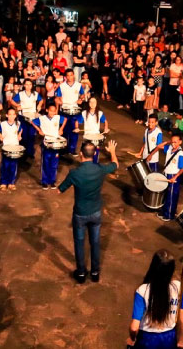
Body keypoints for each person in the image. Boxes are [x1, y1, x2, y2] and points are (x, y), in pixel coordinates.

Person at [58, 140, 118, 283]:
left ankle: (81, 274)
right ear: (95, 154)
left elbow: (60, 190)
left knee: (79, 243)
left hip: (80, 213)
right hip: (96, 212)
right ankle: (95, 273)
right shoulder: (100, 169)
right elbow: (116, 165)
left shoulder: (75, 173)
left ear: (81, 154)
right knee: (95, 242)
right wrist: (112, 151)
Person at [126, 249, 183, 349]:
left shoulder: (142, 291)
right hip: (169, 338)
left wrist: (132, 338)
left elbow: (134, 328)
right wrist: (182, 341)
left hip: (146, 340)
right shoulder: (178, 287)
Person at [149, 134, 183, 221]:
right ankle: (165, 211)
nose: (173, 144)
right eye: (172, 141)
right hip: (167, 174)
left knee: (172, 196)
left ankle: (169, 215)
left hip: (173, 176)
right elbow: (159, 146)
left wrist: (175, 177)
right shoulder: (169, 148)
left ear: (180, 142)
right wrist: (169, 142)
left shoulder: (180, 154)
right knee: (166, 195)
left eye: (175, 142)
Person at [32, 105, 67, 189]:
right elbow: (32, 122)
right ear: (47, 110)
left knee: (54, 164)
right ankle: (44, 181)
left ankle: (52, 181)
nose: (52, 113)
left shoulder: (57, 117)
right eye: (51, 111)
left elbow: (65, 119)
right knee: (45, 163)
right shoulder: (42, 118)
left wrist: (61, 129)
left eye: (54, 111)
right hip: (46, 143)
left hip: (55, 143)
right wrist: (39, 130)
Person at [10, 80, 43, 158]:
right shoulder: (21, 94)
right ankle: (23, 152)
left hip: (33, 116)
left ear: (32, 85)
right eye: (26, 84)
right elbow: (11, 101)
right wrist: (17, 106)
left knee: (31, 135)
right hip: (23, 117)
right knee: (24, 135)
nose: (28, 86)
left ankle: (30, 152)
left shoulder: (35, 94)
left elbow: (41, 100)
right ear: (24, 85)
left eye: (30, 84)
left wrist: (39, 105)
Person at [55, 69, 85, 156]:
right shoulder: (62, 86)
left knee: (74, 131)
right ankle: (64, 150)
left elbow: (83, 95)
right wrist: (58, 101)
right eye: (68, 75)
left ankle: (72, 150)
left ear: (74, 75)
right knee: (64, 131)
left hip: (75, 111)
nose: (70, 77)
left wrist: (81, 99)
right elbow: (58, 97)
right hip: (64, 111)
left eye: (71, 75)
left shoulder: (79, 85)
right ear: (65, 77)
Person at [0, 108, 23, 191]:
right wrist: (0, 135)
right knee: (5, 165)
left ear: (15, 115)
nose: (11, 116)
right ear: (7, 115)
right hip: (6, 147)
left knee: (13, 165)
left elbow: (20, 130)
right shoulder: (3, 124)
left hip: (15, 147)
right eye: (9, 114)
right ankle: (3, 182)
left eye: (13, 114)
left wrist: (19, 135)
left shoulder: (18, 123)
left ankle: (11, 182)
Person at [75, 97, 109, 163]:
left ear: (96, 103)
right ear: (88, 103)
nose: (92, 103)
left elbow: (105, 121)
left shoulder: (100, 113)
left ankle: (94, 167)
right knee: (85, 156)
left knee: (95, 156)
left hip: (96, 136)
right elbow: (77, 121)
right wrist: (77, 127)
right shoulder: (84, 113)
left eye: (94, 102)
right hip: (87, 136)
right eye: (90, 102)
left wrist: (106, 128)